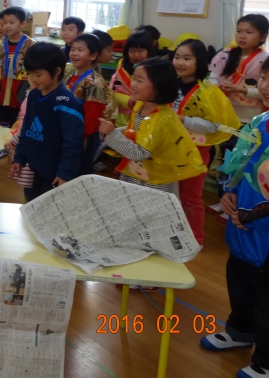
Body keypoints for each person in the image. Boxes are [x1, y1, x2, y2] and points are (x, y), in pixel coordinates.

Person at [201, 58, 269, 378]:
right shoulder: (259, 122)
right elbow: (238, 162)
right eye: (263, 79)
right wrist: (228, 191)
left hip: (261, 224)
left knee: (266, 296)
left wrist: (253, 215)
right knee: (240, 278)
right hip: (242, 220)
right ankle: (240, 331)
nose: (264, 88)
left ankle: (266, 361)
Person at [99, 57, 206, 196]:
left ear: (158, 86)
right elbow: (136, 131)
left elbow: (139, 153)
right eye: (133, 78)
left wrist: (112, 133)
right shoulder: (141, 105)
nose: (133, 84)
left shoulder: (161, 119)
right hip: (138, 173)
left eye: (139, 81)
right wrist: (114, 132)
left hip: (155, 181)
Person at [172, 38, 240, 245]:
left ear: (200, 62)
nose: (180, 62)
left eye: (187, 58)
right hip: (169, 148)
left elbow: (213, 126)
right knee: (170, 194)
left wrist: (183, 120)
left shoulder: (208, 91)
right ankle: (171, 232)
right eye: (177, 57)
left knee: (191, 197)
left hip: (195, 152)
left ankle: (196, 239)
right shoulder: (169, 84)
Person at [209, 14, 269, 214]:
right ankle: (224, 198)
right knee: (226, 161)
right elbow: (212, 80)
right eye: (239, 31)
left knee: (244, 163)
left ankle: (238, 205)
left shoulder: (264, 60)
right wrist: (217, 88)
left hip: (250, 121)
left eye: (249, 32)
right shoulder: (225, 55)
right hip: (226, 117)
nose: (242, 36)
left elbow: (264, 92)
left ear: (263, 37)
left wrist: (241, 90)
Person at [11, 42, 85, 201]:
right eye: (30, 74)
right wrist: (19, 158)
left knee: (50, 209)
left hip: (56, 173)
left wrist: (65, 173)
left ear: (57, 71)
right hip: (35, 168)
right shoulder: (33, 96)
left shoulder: (67, 103)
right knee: (31, 202)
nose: (33, 79)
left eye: (38, 75)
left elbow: (73, 144)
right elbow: (26, 130)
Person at [64, 33, 115, 175]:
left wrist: (81, 137)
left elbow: (92, 117)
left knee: (79, 169)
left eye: (80, 50)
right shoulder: (71, 75)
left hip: (84, 134)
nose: (74, 53)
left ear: (93, 55)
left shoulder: (94, 82)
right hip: (70, 129)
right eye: (73, 49)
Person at [0, 6, 34, 128]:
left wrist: (33, 85)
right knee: (3, 119)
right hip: (3, 86)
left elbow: (34, 68)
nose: (7, 26)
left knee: (19, 121)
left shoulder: (30, 45)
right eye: (5, 22)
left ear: (22, 24)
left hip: (21, 87)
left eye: (12, 23)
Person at [110, 30, 157, 127]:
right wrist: (130, 101)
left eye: (141, 51)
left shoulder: (155, 70)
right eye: (132, 51)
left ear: (149, 51)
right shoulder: (122, 69)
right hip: (122, 120)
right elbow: (112, 93)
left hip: (146, 119)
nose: (136, 55)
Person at [5, 75, 36, 200]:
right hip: (26, 142)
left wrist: (14, 140)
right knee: (30, 188)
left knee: (31, 188)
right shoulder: (31, 95)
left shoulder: (33, 98)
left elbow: (25, 125)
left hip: (30, 145)